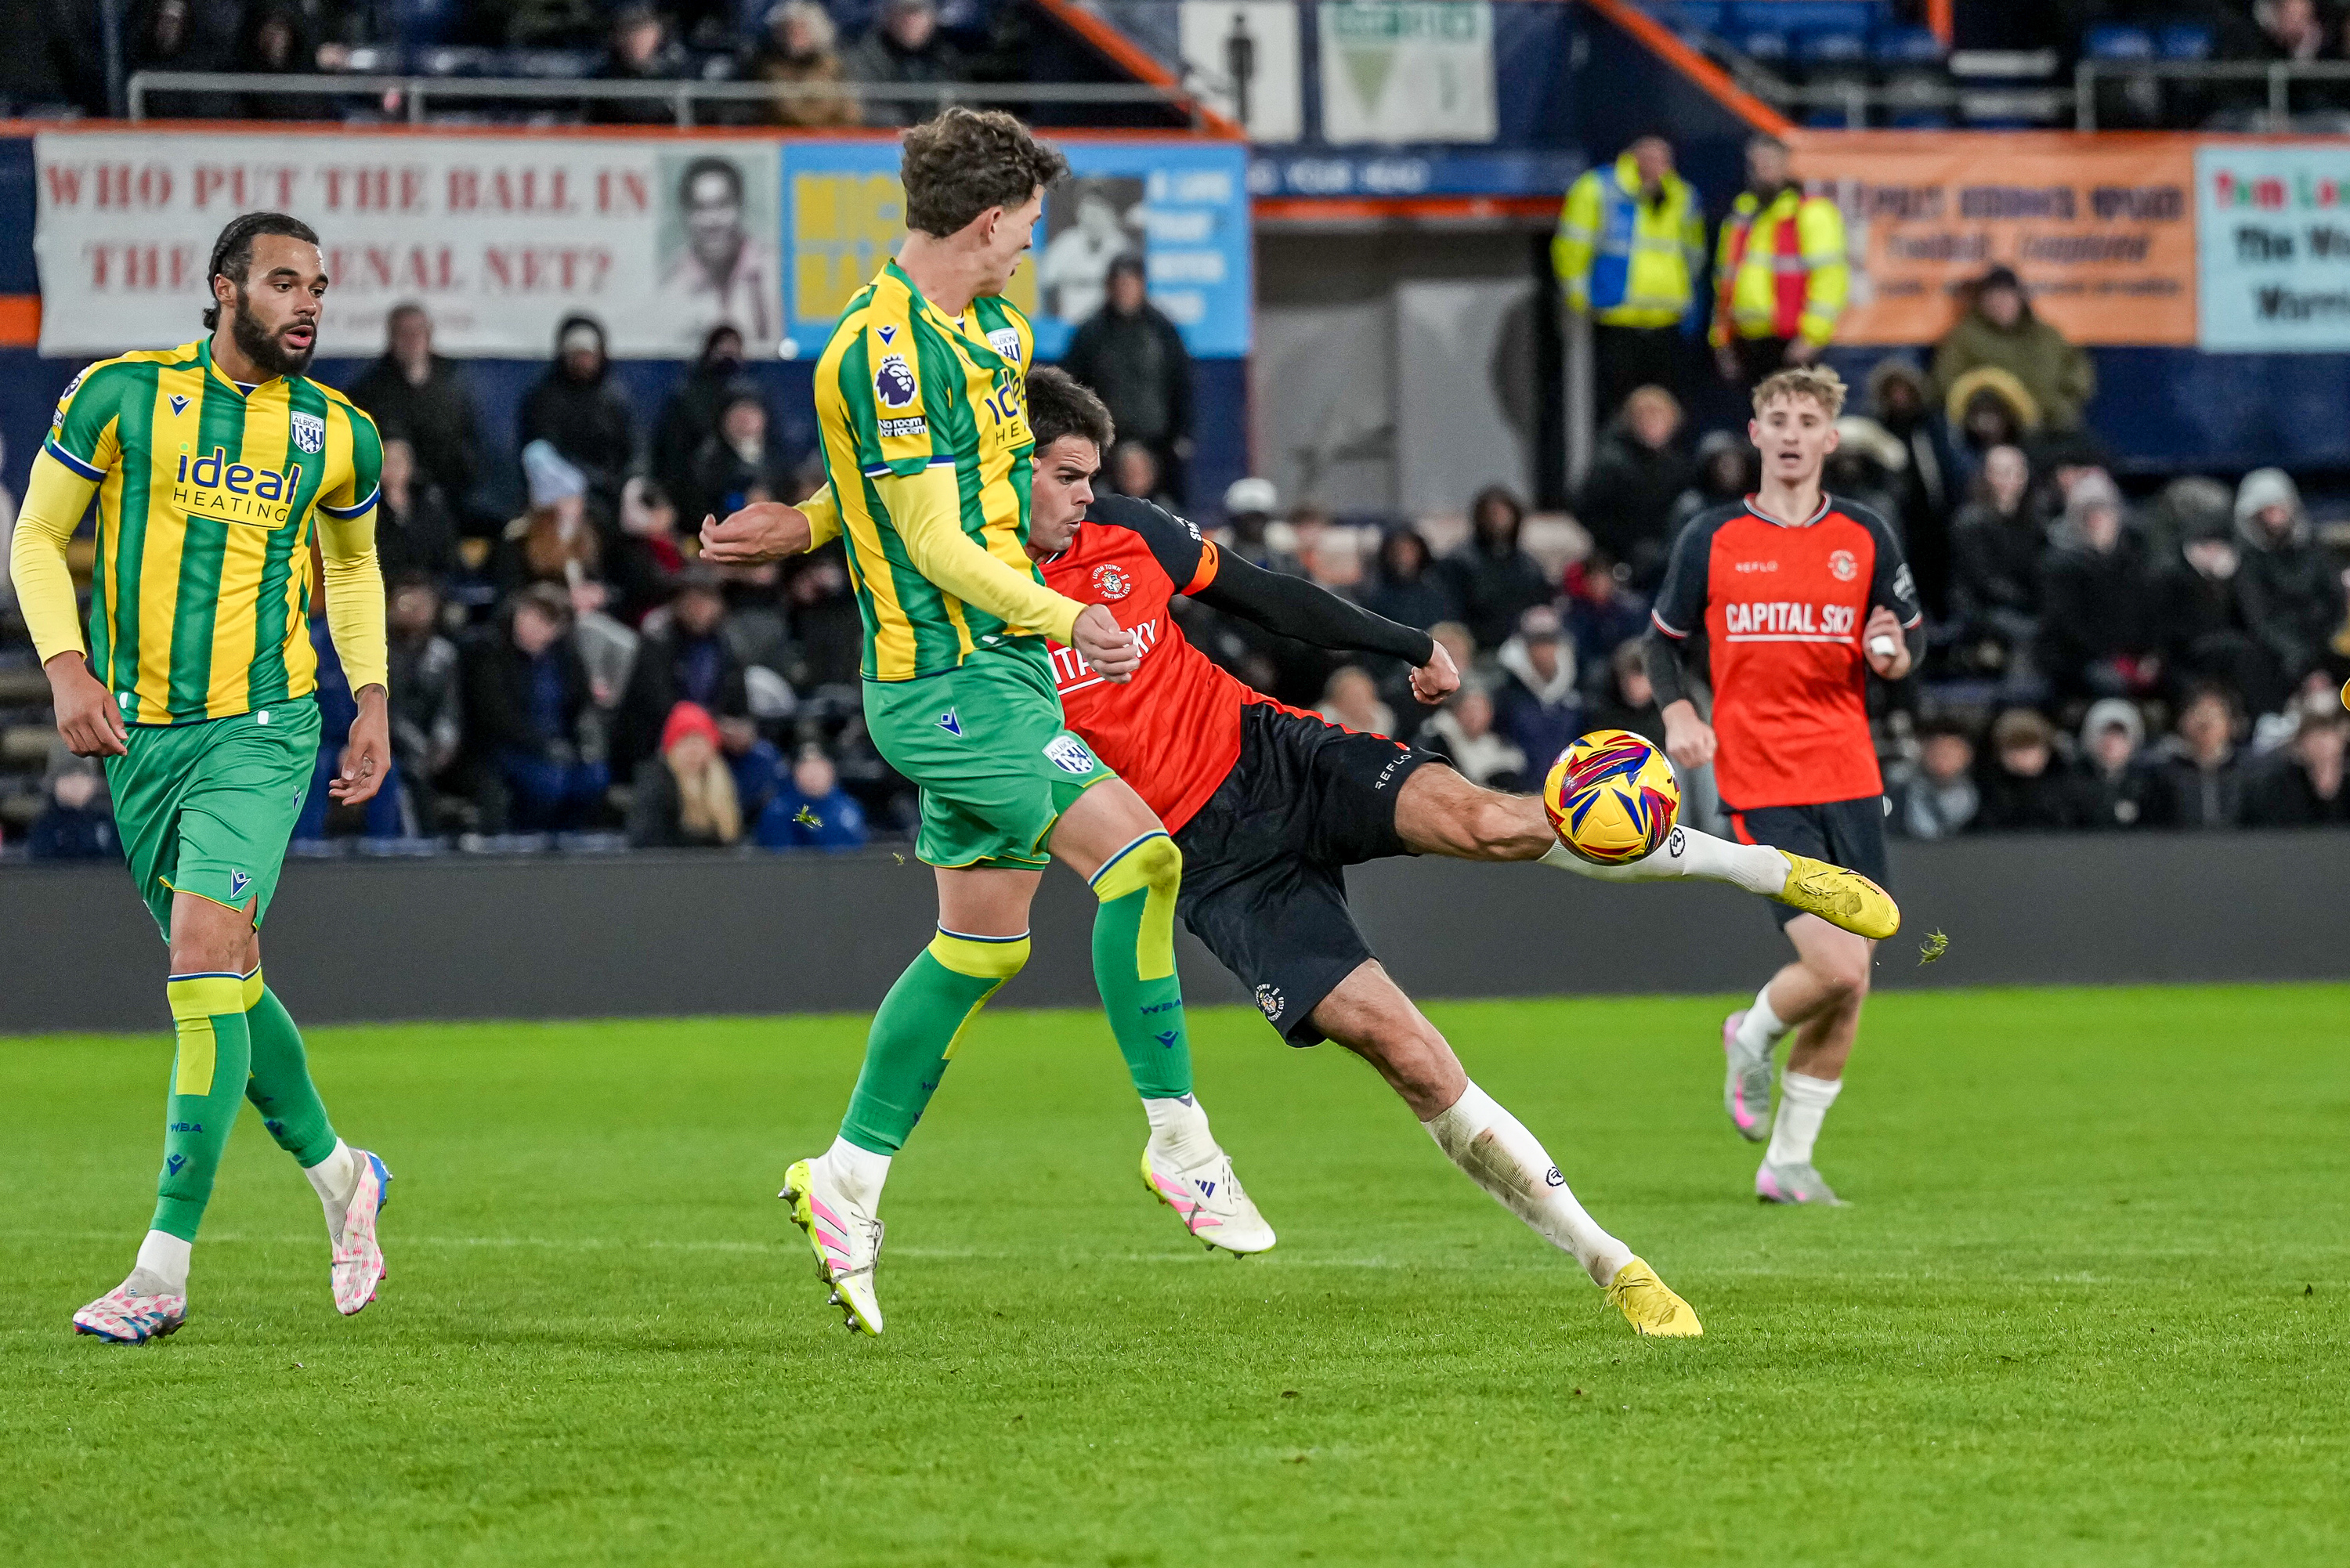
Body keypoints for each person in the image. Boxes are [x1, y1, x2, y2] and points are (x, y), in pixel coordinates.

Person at [707, 365, 1905, 1335]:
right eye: (1068, 476)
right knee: (1409, 1049)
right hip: (1216, 865)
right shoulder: (951, 585)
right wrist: (799, 525)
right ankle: (1613, 1263)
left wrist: (1403, 644)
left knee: (1495, 817)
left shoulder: (1129, 534)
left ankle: (1769, 867)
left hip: (1273, 752)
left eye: (1090, 477)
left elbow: (1267, 595)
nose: (1086, 496)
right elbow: (872, 510)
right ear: (1006, 469)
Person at [696, 109, 1260, 1339]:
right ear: (991, 220)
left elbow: (914, 497)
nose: (1031, 253)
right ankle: (1180, 1139)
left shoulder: (996, 334)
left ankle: (846, 1178)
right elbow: (936, 538)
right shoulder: (878, 351)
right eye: (1030, 229)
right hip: (944, 687)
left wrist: (802, 521)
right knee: (1143, 857)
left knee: (981, 948)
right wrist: (1069, 614)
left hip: (1002, 674)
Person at [10, 210, 396, 1342]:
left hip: (263, 730)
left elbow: (355, 564)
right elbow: (36, 537)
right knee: (229, 978)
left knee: (197, 963)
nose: (308, 303)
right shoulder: (123, 396)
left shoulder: (340, 434)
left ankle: (162, 1267)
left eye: (319, 285)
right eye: (284, 282)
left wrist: (368, 699)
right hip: (142, 737)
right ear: (223, 288)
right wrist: (66, 671)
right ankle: (342, 1178)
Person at [1646, 363, 1922, 1206]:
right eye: (1781, 418)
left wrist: (1891, 656)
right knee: (1836, 964)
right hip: (1762, 777)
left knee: (1858, 975)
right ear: (1757, 435)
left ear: (1831, 439)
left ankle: (1788, 1161)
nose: (1795, 432)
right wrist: (1679, 713)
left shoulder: (1868, 535)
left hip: (1850, 769)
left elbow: (1903, 643)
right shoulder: (1713, 538)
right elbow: (1663, 641)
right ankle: (1753, 1031)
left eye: (1810, 419)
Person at [1552, 133, 1706, 419]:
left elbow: (1693, 253)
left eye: (1665, 160)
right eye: (1651, 158)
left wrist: (1688, 299)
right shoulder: (1598, 189)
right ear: (1634, 157)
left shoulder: (1682, 196)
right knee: (1619, 410)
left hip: (1666, 319)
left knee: (1668, 409)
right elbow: (1571, 249)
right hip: (1616, 317)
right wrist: (1578, 297)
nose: (1660, 167)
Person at [461, 583, 609, 833]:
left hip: (559, 744)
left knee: (594, 777)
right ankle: (528, 840)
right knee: (548, 782)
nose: (534, 625)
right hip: (505, 747)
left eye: (546, 621)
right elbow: (494, 715)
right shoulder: (489, 650)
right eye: (530, 615)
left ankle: (568, 843)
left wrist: (582, 744)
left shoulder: (566, 657)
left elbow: (581, 705)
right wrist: (542, 746)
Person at [1709, 136, 1848, 392]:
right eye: (1754, 165)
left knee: (1794, 421)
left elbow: (1830, 279)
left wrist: (1813, 336)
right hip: (1747, 342)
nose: (1760, 171)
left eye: (1768, 163)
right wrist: (1722, 339)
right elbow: (1725, 281)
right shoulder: (1742, 215)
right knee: (1757, 423)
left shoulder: (1811, 212)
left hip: (1791, 342)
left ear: (1786, 165)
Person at [1061, 255, 1193, 497]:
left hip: (1159, 445)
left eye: (1130, 283)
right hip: (1105, 446)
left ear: (1142, 285)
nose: (1125, 291)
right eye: (1119, 284)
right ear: (1108, 287)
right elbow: (1073, 390)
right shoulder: (1090, 333)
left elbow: (1182, 385)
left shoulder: (1163, 331)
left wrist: (1182, 434)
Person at [346, 302, 485, 529]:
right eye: (403, 332)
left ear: (429, 335)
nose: (412, 339)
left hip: (453, 488)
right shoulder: (370, 388)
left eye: (418, 331)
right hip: (395, 492)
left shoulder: (454, 381)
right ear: (391, 338)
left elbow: (471, 444)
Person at [613, 567, 751, 774]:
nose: (698, 608)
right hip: (657, 744)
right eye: (691, 600)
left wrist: (743, 730)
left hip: (714, 740)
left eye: (706, 600)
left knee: (760, 757)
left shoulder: (728, 646)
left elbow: (740, 706)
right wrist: (711, 726)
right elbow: (660, 707)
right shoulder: (657, 642)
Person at [2038, 471, 2160, 703]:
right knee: (2110, 682)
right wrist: (2116, 658)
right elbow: (2068, 625)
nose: (2097, 519)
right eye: (2089, 513)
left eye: (2104, 511)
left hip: (2125, 653)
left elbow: (2147, 612)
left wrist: (2149, 654)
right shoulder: (2059, 563)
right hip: (2076, 659)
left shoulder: (2131, 558)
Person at [1932, 266, 2096, 436]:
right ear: (1981, 302)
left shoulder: (2047, 336)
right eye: (1993, 297)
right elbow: (1946, 385)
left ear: (2020, 299)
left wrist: (2062, 406)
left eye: (2008, 296)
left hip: (2054, 427)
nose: (2001, 303)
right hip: (1995, 434)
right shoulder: (1963, 337)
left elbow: (2079, 374)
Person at [2232, 468, 2345, 716]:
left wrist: (2322, 655)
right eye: (2266, 510)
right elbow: (2259, 620)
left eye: (2279, 507)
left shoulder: (2316, 551)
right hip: (2277, 658)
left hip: (2324, 649)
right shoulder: (2249, 564)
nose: (2275, 516)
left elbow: (2335, 601)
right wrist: (2302, 663)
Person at [1574, 385, 1695, 586]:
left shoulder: (1676, 465)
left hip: (1667, 561)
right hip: (1619, 564)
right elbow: (1586, 510)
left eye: (1660, 418)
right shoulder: (1611, 462)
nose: (1653, 425)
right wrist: (1626, 544)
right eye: (1646, 418)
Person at [519, 315, 634, 516]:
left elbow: (633, 449)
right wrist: (591, 481)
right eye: (578, 355)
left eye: (589, 355)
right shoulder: (545, 399)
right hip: (563, 498)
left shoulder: (614, 397)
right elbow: (548, 457)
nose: (584, 362)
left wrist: (630, 483)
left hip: (614, 496)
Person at [660, 156, 779, 349]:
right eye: (701, 208)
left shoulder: (776, 271)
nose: (712, 221)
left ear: (740, 206)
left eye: (722, 205)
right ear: (686, 214)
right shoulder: (670, 287)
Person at [1947, 443, 2041, 677]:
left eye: (2015, 472)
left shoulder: (2034, 522)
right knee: (2027, 632)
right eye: (2000, 472)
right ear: (1986, 476)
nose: (2008, 480)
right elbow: (1983, 582)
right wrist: (2030, 601)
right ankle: (2019, 701)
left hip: (2019, 606)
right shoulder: (1970, 521)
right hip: (1980, 609)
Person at [385, 573, 461, 833]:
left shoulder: (444, 654)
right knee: (406, 774)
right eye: (407, 603)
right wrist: (415, 745)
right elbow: (385, 708)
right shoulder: (377, 650)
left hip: (431, 744)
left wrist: (443, 744)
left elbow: (449, 710)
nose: (415, 610)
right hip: (389, 740)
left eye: (423, 604)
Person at [1440, 486, 1553, 653]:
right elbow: (1451, 616)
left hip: (1520, 652)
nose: (1499, 521)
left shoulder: (1529, 566)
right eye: (1493, 514)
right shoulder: (1460, 562)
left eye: (1505, 514)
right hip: (1476, 652)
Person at [627, 700, 744, 848]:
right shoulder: (657, 781)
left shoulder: (719, 781)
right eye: (685, 741)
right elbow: (645, 838)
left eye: (699, 742)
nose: (693, 751)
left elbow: (730, 838)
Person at [653, 326, 746, 511]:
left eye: (733, 349)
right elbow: (671, 451)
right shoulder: (688, 396)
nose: (728, 355)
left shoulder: (751, 394)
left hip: (737, 486)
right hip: (692, 488)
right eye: (723, 349)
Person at [843, 0, 966, 128]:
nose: (911, 21)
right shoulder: (865, 55)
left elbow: (964, 106)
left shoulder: (947, 57)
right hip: (882, 139)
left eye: (918, 12)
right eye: (904, 12)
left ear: (933, 17)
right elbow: (863, 109)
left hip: (934, 137)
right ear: (888, 15)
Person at [2146, 681, 2249, 830]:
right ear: (2182, 721)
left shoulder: (2247, 774)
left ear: (2231, 724)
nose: (2205, 721)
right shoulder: (2164, 776)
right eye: (2198, 711)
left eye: (2214, 713)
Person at [1492, 604, 1582, 769]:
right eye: (1537, 643)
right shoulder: (1506, 694)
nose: (1544, 650)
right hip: (1522, 789)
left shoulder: (1576, 690)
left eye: (1550, 642)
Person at [752, 0, 861, 128]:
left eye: (801, 28)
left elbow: (851, 110)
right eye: (789, 29)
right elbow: (786, 110)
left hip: (833, 138)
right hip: (787, 136)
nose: (794, 35)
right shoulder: (771, 67)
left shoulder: (832, 65)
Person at [2247, 698, 2350, 827]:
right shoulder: (2280, 787)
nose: (2321, 742)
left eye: (2328, 732)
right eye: (2313, 733)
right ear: (2301, 742)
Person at [371, 435, 458, 584]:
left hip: (430, 586)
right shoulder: (368, 508)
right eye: (386, 461)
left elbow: (445, 553)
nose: (393, 468)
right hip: (386, 587)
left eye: (398, 461)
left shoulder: (430, 502)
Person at [1974, 708, 2078, 832]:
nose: (2023, 755)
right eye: (2015, 747)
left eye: (2030, 746)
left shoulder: (2069, 787)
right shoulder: (1987, 790)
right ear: (2000, 753)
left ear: (2047, 750)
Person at [588, 4, 686, 127]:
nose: (636, 39)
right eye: (629, 31)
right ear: (616, 37)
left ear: (657, 35)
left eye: (643, 32)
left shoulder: (677, 75)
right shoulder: (600, 80)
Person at [756, 743, 870, 849]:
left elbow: (859, 846)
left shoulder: (848, 806)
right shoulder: (779, 810)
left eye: (818, 768)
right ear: (796, 773)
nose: (813, 776)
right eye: (807, 769)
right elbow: (780, 854)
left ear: (830, 771)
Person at [2070, 698, 2154, 830]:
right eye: (2105, 733)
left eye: (2120, 734)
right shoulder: (2072, 782)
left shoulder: (2149, 784)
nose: (2111, 742)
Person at [1888, 720, 1978, 840]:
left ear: (1967, 754)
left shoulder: (1987, 798)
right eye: (1936, 749)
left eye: (1951, 751)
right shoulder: (1897, 797)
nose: (1942, 757)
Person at [27, 763, 118, 860]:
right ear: (54, 783)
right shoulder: (44, 825)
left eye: (83, 776)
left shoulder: (106, 822)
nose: (76, 784)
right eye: (68, 777)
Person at [1317, 663, 1395, 737]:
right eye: (1352, 695)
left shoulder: (1383, 717)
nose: (1358, 701)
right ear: (1336, 700)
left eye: (1363, 695)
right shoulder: (1324, 720)